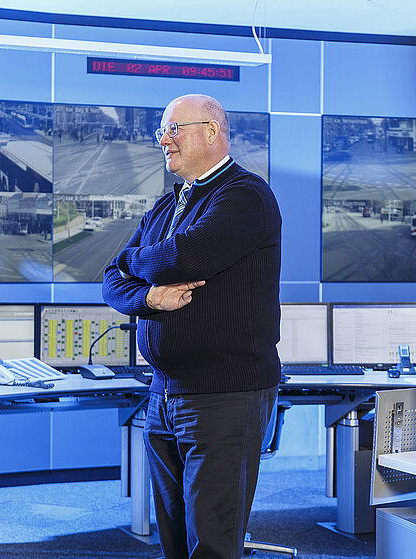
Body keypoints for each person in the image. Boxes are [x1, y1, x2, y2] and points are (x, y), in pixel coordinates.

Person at [101, 94, 281, 559]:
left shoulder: (244, 196)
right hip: (164, 395)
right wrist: (149, 296)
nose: (164, 140)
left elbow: (187, 257)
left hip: (223, 395)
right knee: (175, 542)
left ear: (212, 131)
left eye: (174, 129)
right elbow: (110, 282)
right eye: (161, 131)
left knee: (212, 545)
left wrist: (130, 260)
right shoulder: (168, 206)